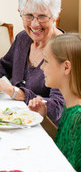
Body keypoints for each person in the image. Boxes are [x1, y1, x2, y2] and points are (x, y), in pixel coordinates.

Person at [29, 33, 81, 171]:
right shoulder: (70, 105)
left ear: (66, 67)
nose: (41, 68)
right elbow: (64, 144)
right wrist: (43, 119)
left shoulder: (79, 116)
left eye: (45, 61)